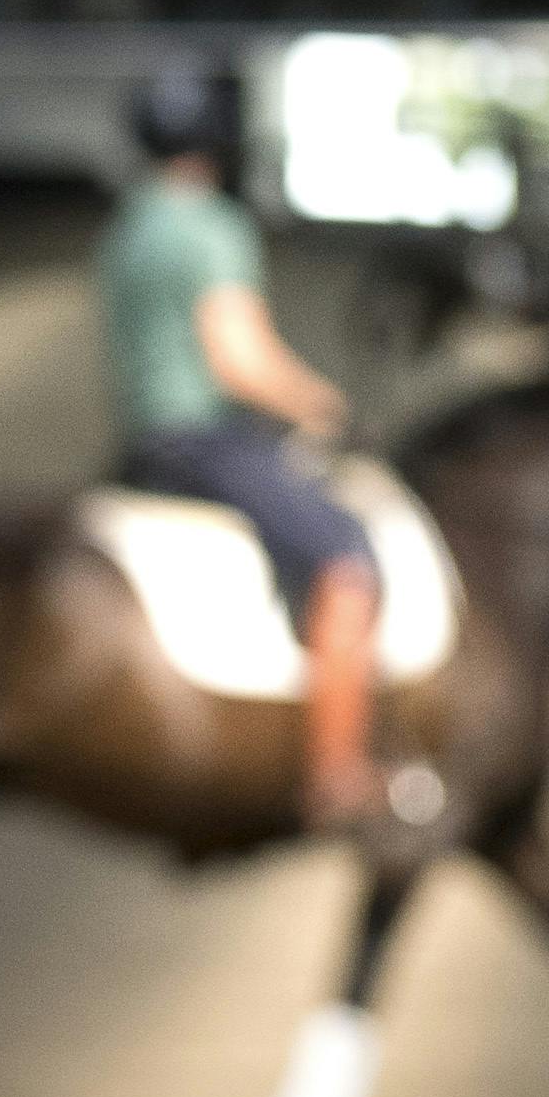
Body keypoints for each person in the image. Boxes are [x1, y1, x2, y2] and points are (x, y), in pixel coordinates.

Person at [99, 63, 384, 828]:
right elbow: (239, 359)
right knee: (344, 560)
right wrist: (324, 403)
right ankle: (338, 776)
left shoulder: (130, 223)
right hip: (202, 441)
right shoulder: (210, 226)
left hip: (141, 441)